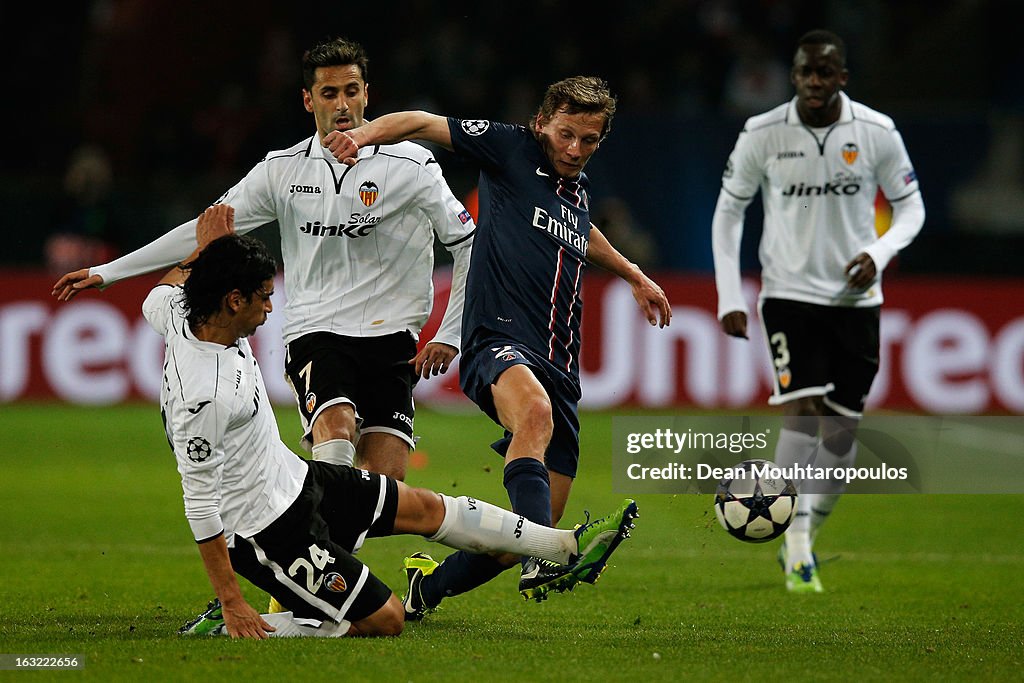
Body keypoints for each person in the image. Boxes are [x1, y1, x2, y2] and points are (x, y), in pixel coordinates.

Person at [151, 204, 637, 639]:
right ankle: (230, 622)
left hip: (299, 478)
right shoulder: (205, 397)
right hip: (268, 530)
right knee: (385, 620)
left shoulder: (179, 312)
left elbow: (162, 289)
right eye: (262, 296)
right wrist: (235, 600)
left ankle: (562, 547)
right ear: (233, 300)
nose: (270, 306)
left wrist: (207, 251)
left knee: (426, 508)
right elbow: (201, 509)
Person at [52, 36, 475, 482]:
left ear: (367, 93)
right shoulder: (282, 170)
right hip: (317, 330)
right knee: (336, 433)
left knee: (386, 486)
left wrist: (450, 333)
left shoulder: (411, 164)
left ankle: (327, 540)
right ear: (308, 100)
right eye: (329, 93)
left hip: (392, 338)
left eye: (352, 90)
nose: (343, 104)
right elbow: (203, 227)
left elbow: (468, 243)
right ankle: (313, 542)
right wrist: (108, 272)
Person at [322, 76, 672, 610]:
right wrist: (363, 136)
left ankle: (427, 590)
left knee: (528, 524)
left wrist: (633, 274)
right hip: (497, 339)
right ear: (541, 125)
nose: (575, 149)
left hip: (560, 363)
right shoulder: (510, 148)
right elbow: (419, 121)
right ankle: (544, 552)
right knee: (532, 416)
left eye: (589, 140)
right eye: (565, 134)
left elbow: (583, 232)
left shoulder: (573, 192)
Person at [711, 29, 925, 593]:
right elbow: (729, 212)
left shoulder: (877, 133)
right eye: (805, 72)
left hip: (855, 300)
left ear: (841, 78)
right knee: (802, 412)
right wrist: (730, 294)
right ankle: (797, 542)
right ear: (794, 76)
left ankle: (805, 529)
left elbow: (911, 208)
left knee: (841, 435)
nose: (813, 82)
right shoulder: (763, 132)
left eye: (824, 73)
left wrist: (879, 254)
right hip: (785, 294)